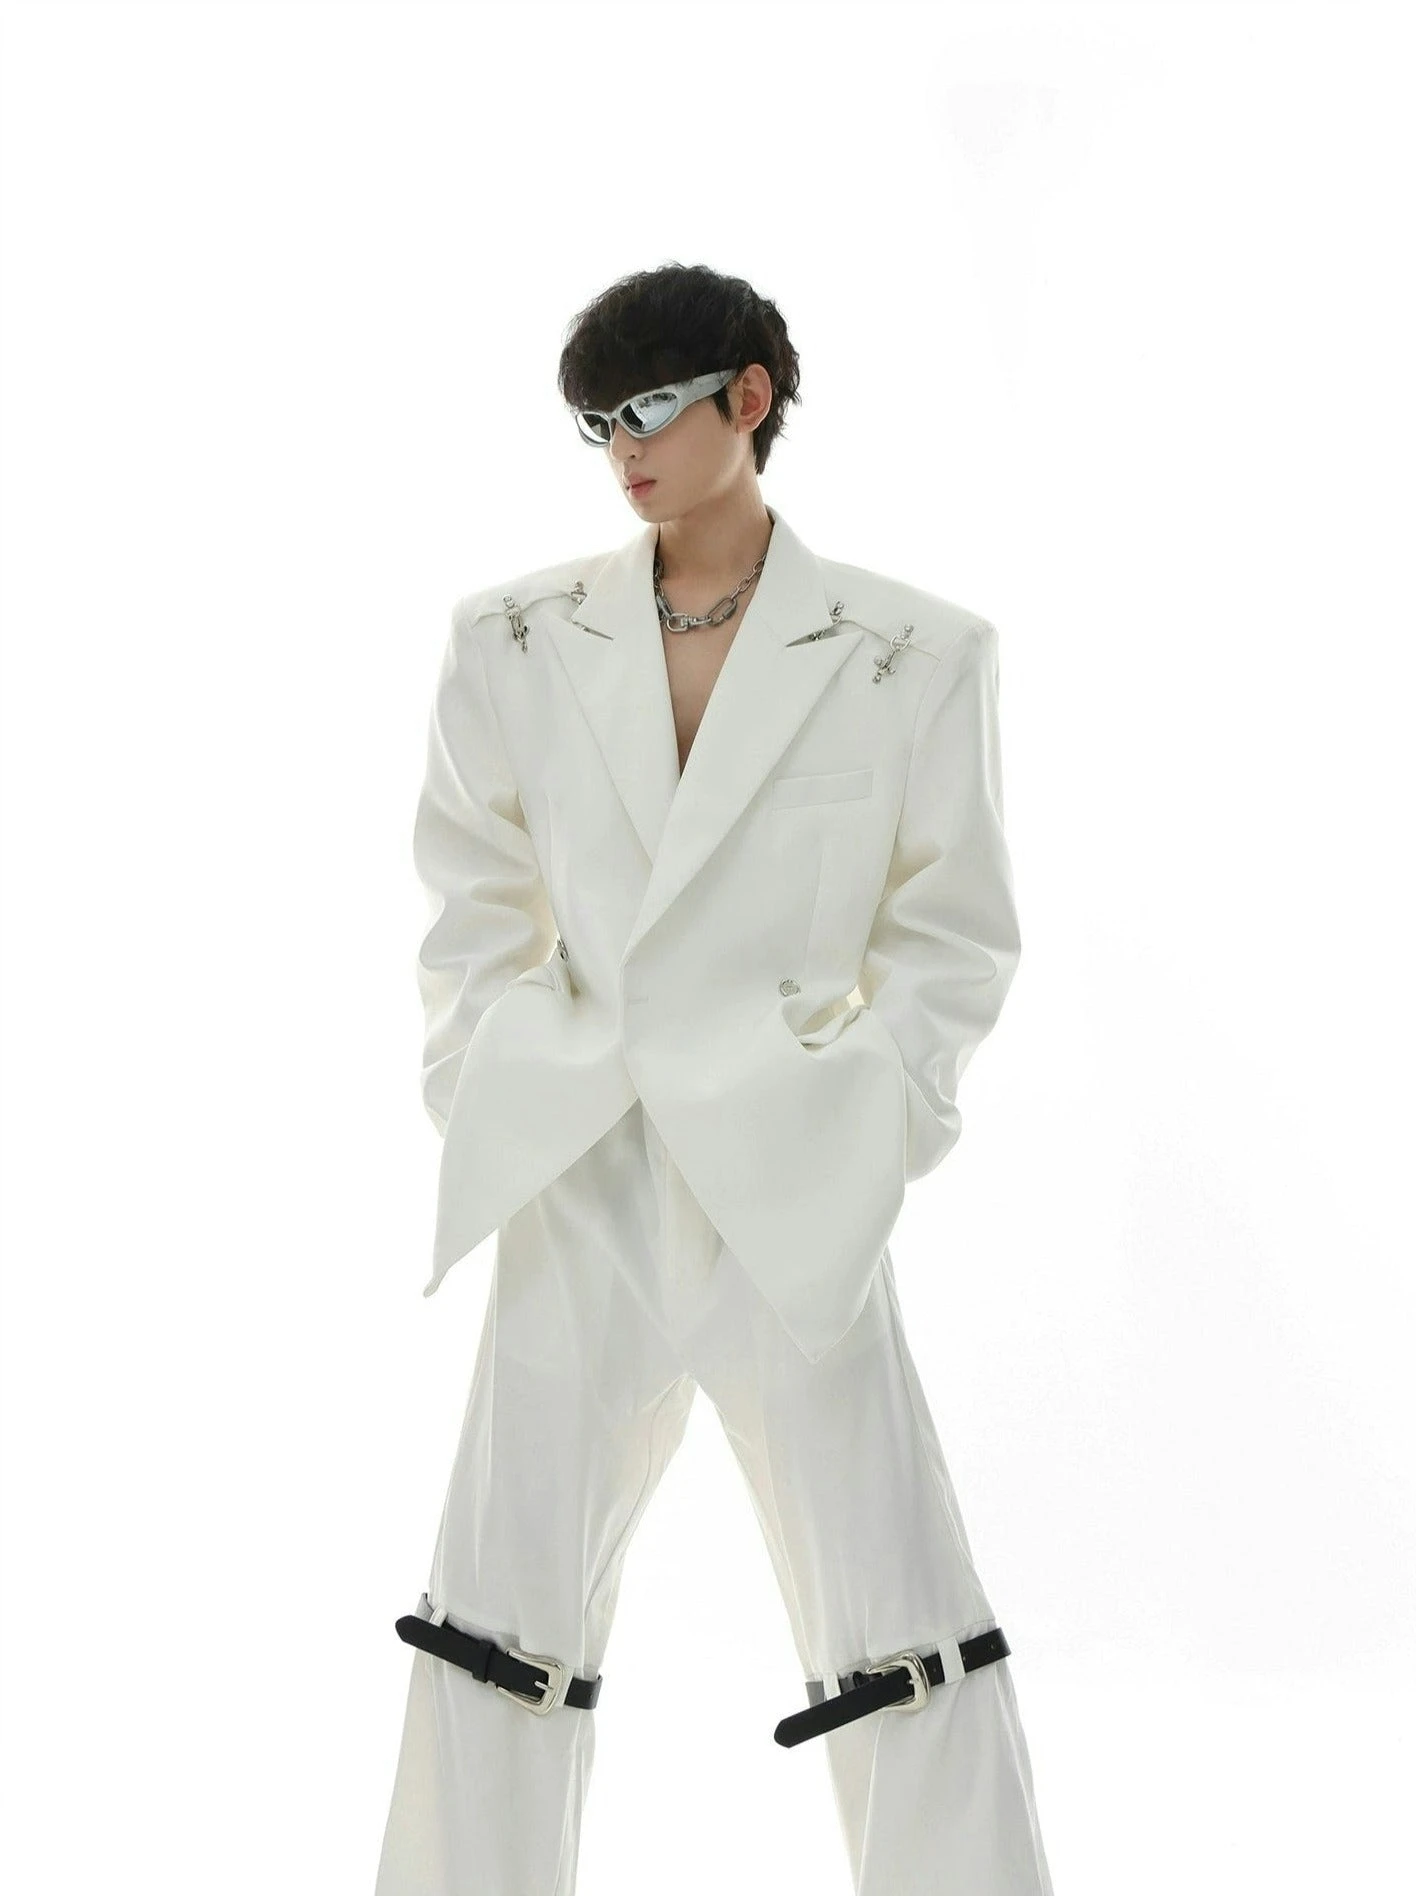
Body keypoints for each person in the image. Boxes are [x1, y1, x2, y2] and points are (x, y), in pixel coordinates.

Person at [375, 262, 1055, 1895]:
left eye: (650, 409)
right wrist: (491, 1074)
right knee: (495, 1609)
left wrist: (871, 1119)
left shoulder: (916, 652)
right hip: (579, 1159)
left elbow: (955, 934)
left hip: (791, 1176)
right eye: (596, 422)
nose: (623, 447)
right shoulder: (511, 640)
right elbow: (469, 899)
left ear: (749, 399)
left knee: (894, 1599)